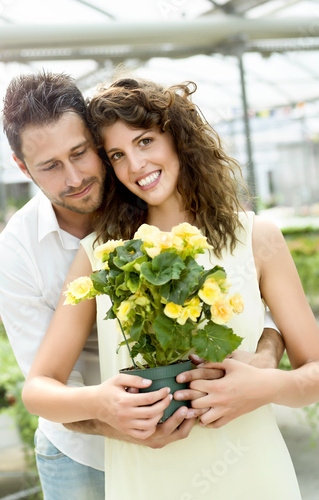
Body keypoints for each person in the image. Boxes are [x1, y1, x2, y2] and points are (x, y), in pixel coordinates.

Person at [22, 76, 319, 500]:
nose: (136, 165)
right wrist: (101, 403)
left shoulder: (256, 236)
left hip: (253, 476)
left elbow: (314, 371)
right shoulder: (101, 254)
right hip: (146, 482)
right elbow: (38, 391)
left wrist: (265, 386)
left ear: (178, 138)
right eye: (117, 155)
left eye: (145, 142)